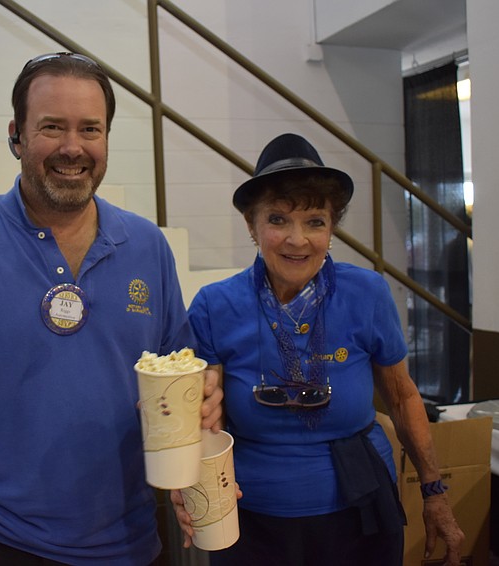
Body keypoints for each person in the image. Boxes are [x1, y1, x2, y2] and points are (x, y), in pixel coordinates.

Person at [0, 52, 223, 566]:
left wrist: (192, 452)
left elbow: (176, 391)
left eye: (90, 129)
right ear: (17, 135)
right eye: (52, 127)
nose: (73, 148)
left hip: (133, 545)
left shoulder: (147, 248)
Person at [172, 133, 465, 566]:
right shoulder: (217, 306)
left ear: (331, 228)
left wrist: (434, 491)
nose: (297, 239)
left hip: (359, 510)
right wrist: (187, 481)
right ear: (252, 226)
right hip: (250, 518)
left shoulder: (366, 294)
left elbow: (402, 398)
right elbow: (203, 415)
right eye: (277, 220)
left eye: (315, 221)